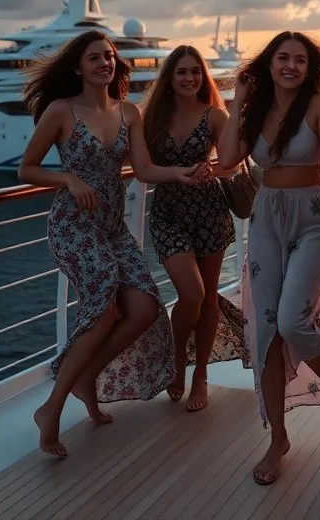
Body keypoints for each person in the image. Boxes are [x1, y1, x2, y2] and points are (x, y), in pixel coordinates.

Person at [18, 30, 205, 456]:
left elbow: (142, 168)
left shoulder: (130, 113)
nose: (105, 63)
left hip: (112, 228)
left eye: (109, 56)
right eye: (95, 58)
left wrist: (180, 173)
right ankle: (52, 409)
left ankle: (88, 377)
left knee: (144, 307)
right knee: (102, 308)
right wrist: (67, 177)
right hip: (73, 225)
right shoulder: (61, 111)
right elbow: (27, 169)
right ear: (79, 67)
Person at [215, 30, 320, 486]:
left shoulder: (319, 105)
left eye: (300, 60)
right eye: (283, 58)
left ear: (309, 68)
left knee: (293, 321)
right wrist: (237, 102)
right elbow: (228, 160)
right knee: (267, 331)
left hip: (312, 219)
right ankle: (278, 440)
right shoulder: (253, 112)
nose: (291, 66)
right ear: (269, 64)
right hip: (267, 221)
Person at [141, 45, 247, 412]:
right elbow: (140, 166)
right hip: (169, 213)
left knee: (208, 295)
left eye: (195, 72)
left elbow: (232, 160)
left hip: (208, 212)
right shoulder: (152, 117)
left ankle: (200, 372)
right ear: (169, 78)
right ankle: (176, 361)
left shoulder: (214, 115)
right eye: (182, 72)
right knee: (192, 293)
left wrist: (213, 169)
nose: (189, 78)